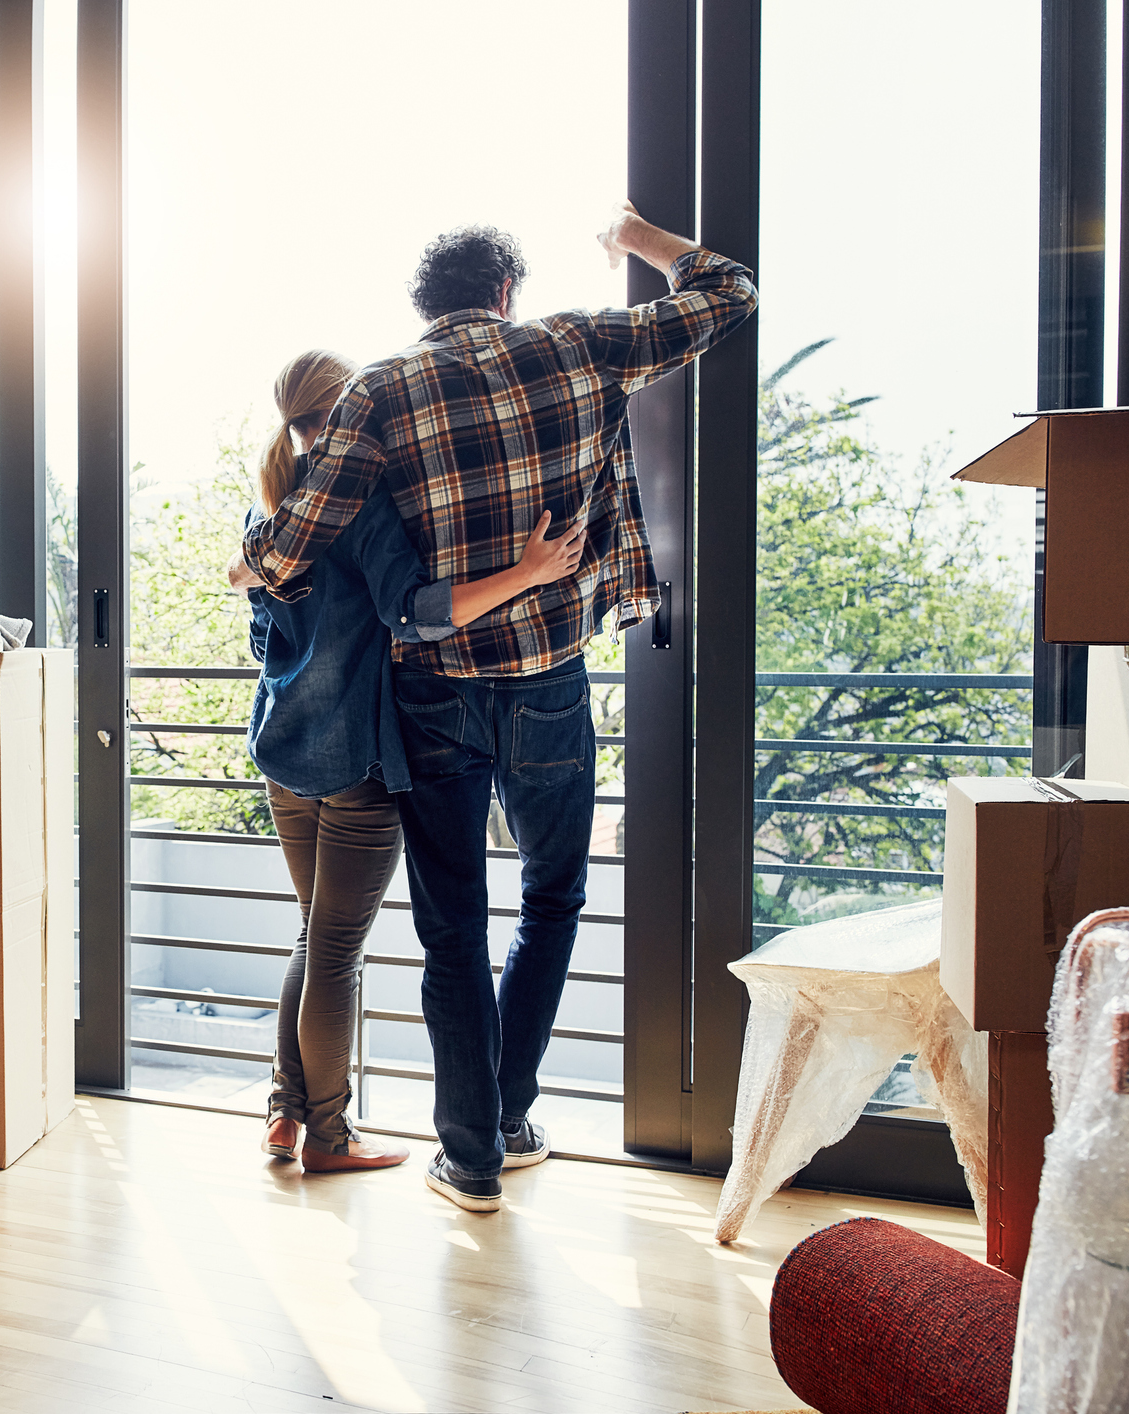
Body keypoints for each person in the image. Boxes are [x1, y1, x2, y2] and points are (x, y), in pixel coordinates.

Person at [239, 202, 757, 1213]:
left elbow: (286, 550)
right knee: (552, 897)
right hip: (549, 682)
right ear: (505, 293)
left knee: (450, 930)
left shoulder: (380, 393)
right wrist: (642, 242)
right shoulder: (578, 343)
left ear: (423, 305)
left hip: (434, 695)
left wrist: (248, 557)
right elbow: (730, 292)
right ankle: (510, 1115)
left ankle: (469, 1158)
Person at [242, 349, 587, 1174]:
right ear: (354, 412)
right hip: (356, 763)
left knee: (314, 938)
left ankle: (285, 1114)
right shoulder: (360, 507)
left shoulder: (272, 514)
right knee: (334, 950)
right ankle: (327, 1136)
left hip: (283, 753)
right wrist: (528, 571)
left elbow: (264, 637)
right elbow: (415, 615)